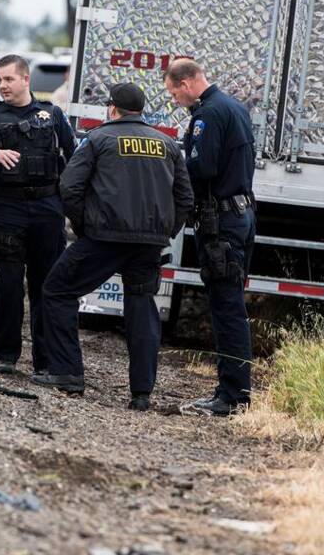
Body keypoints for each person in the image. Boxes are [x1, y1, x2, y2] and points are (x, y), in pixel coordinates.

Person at [34, 83, 193, 411]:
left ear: (112, 108)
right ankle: (141, 393)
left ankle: (68, 374)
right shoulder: (166, 144)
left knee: (57, 290)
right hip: (149, 243)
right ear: (141, 109)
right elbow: (185, 198)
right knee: (141, 305)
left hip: (104, 238)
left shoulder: (98, 139)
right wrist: (164, 231)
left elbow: (69, 186)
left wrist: (83, 226)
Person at [0, 54, 76, 374]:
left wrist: (71, 200)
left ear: (26, 79)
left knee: (44, 285)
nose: (2, 85)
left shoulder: (52, 115)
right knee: (9, 284)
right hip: (7, 207)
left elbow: (75, 155)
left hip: (47, 208)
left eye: (8, 79)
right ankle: (6, 356)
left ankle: (45, 361)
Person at [163, 58, 257, 416]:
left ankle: (232, 397)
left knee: (226, 307)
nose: (174, 100)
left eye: (174, 93)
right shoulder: (233, 106)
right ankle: (233, 392)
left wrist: (170, 176)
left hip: (222, 222)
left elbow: (201, 169)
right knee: (230, 305)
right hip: (240, 215)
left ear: (186, 83)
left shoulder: (209, 114)